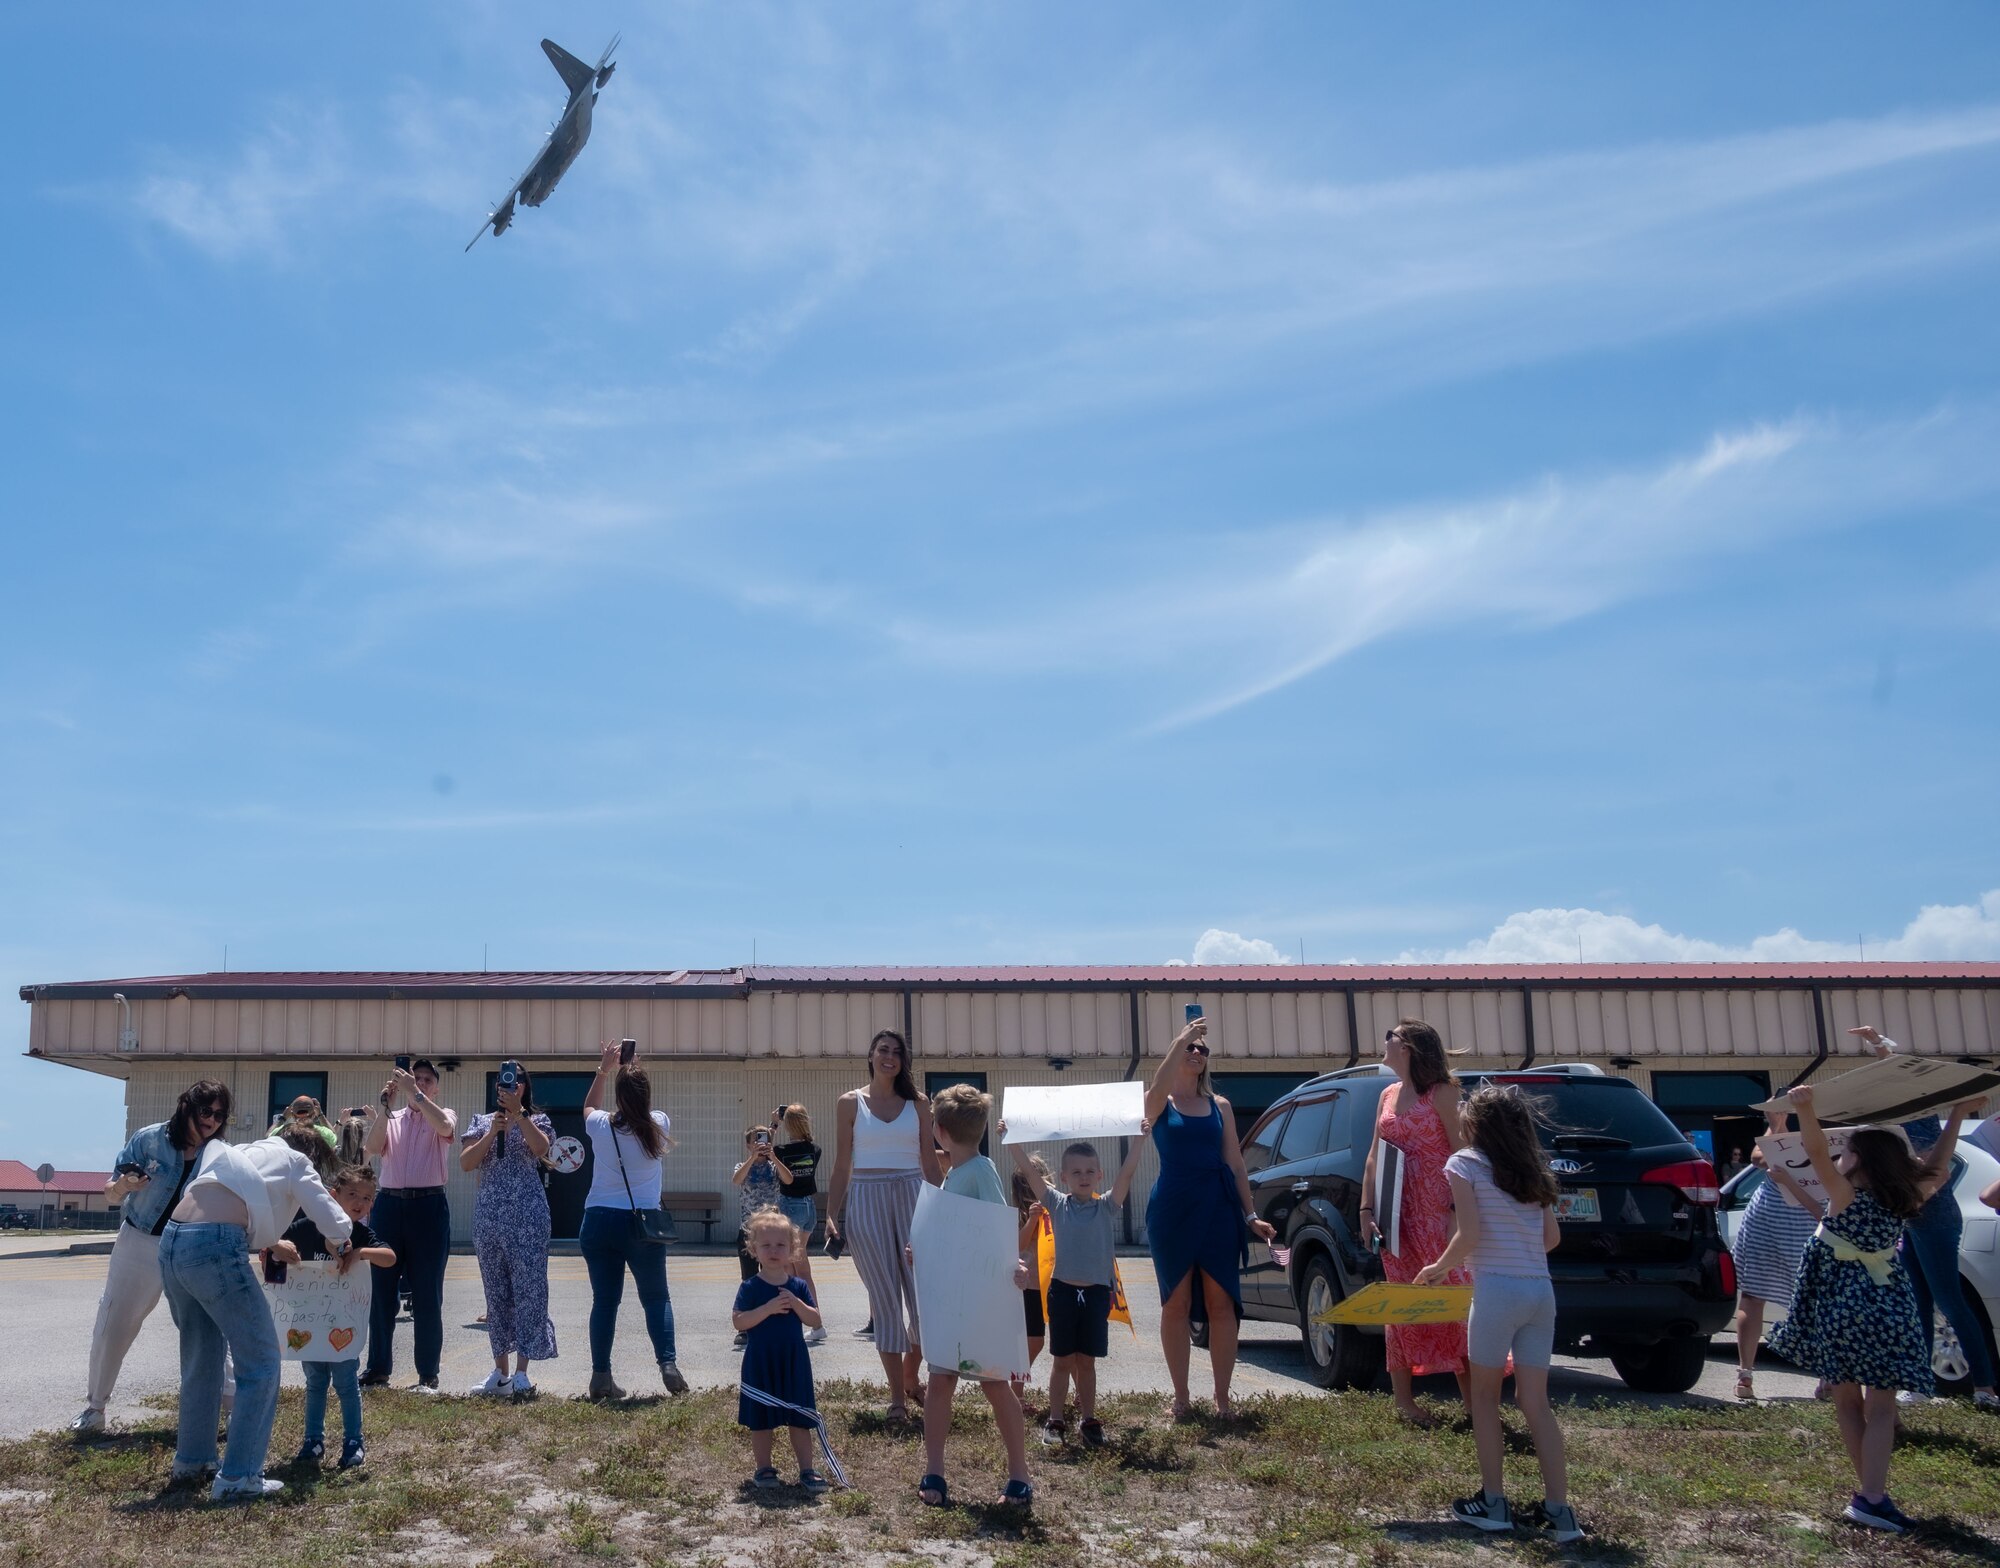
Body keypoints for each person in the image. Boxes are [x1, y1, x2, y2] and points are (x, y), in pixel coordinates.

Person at [1769, 1084, 1985, 1534]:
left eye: (1845, 1153)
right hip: (1886, 1306)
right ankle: (1872, 1495)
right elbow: (1939, 1166)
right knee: (1881, 1406)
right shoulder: (1906, 1198)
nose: (1838, 1158)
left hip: (1837, 1309)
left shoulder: (1842, 1197)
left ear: (1860, 1161)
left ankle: (1870, 1495)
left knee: (1847, 1401)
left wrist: (1806, 1110)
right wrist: (1958, 1114)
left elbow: (1813, 1151)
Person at [1416, 1085, 1581, 1543]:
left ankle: (1493, 1502)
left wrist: (1439, 1267)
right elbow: (1550, 1239)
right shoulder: (1535, 1171)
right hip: (1539, 1292)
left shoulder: (1464, 1164)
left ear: (1477, 1125)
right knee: (1536, 1402)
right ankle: (1560, 1512)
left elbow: (1468, 1233)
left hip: (1495, 1290)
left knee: (1485, 1399)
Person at [159, 1123, 353, 1502]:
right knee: (262, 1361)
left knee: (203, 1359)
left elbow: (239, 1205)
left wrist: (272, 1241)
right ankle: (239, 1477)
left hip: (173, 1240)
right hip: (215, 1243)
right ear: (312, 1152)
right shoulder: (297, 1161)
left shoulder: (242, 1150)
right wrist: (342, 1239)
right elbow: (331, 1218)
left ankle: (193, 1460)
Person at [1847, 1025, 2000, 1410]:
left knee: (1950, 1301)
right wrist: (1878, 1047)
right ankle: (1919, 1385)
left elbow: (1933, 1166)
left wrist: (1882, 1046)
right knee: (1918, 1302)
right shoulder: (1899, 1116)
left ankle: (1984, 1387)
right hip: (1912, 1220)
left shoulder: (1921, 1114)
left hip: (1936, 1218)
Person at [72, 1080, 233, 1436]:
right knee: (115, 1322)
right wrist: (125, 1185)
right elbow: (110, 1194)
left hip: (192, 1246)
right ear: (186, 1106)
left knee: (209, 1328)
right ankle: (95, 1408)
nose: (212, 1120)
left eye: (219, 1115)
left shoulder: (221, 1152)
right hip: (140, 1241)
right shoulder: (149, 1139)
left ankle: (232, 1411)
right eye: (206, 1111)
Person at [1142, 1013, 1277, 1420]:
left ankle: (1223, 1399)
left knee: (1223, 1304)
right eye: (1190, 1047)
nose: (1197, 1052)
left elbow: (1235, 1162)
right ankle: (1181, 1398)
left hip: (1218, 1208)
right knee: (1175, 1304)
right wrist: (1180, 1037)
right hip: (1172, 1209)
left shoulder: (1220, 1106)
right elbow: (1153, 1093)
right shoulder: (1159, 1104)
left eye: (1203, 1049)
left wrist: (1250, 1214)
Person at [914, 1084, 1033, 1509]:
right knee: (941, 1380)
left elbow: (998, 1225)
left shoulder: (980, 1171)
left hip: (978, 1301)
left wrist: (1013, 1264)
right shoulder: (955, 1173)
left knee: (996, 1385)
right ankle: (934, 1470)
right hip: (952, 1301)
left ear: (940, 1131)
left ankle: (1019, 1474)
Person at [824, 1028, 943, 1422]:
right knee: (885, 1301)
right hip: (866, 1198)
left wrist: (944, 1210)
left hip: (913, 1196)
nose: (889, 1057)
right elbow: (843, 1165)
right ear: (871, 1056)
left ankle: (912, 1375)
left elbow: (929, 1163)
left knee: (926, 1300)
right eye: (882, 1050)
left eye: (896, 1052)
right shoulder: (849, 1103)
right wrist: (831, 1213)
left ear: (903, 1060)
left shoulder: (919, 1104)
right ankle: (897, 1399)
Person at [1003, 1128, 1144, 1447]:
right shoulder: (1056, 1203)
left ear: (1099, 1175)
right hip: (1063, 1293)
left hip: (1095, 1295)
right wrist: (1013, 1142)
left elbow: (1127, 1173)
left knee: (1087, 1361)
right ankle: (1055, 1420)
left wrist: (1138, 1140)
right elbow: (1029, 1173)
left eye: (1090, 1171)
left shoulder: (1107, 1205)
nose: (1084, 1177)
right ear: (1064, 1177)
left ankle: (1089, 1419)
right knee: (1062, 1360)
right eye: (1076, 1172)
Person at [1361, 1018, 1471, 1426]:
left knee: (1452, 1305)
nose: (1384, 1042)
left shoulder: (1443, 1093)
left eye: (1389, 1037)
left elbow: (1464, 1155)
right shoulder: (1388, 1094)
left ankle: (1474, 1407)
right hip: (1396, 1217)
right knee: (1401, 1307)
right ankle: (1404, 1403)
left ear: (1406, 1047)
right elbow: (1374, 1155)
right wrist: (1366, 1209)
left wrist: (1458, 1219)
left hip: (1436, 1215)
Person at [580, 1039, 689, 1400]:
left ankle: (600, 1377)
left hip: (598, 1221)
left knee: (604, 1301)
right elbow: (641, 1111)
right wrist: (633, 1071)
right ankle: (668, 1365)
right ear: (647, 1094)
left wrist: (605, 1068)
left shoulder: (600, 1125)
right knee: (656, 1297)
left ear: (619, 1094)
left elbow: (589, 1106)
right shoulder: (658, 1124)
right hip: (643, 1224)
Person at [272, 1166, 397, 1469]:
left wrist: (361, 1253)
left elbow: (390, 1258)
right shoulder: (306, 1227)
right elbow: (274, 1251)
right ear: (332, 1197)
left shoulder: (361, 1234)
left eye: (366, 1198)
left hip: (343, 1327)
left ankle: (354, 1441)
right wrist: (278, 1249)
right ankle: (313, 1441)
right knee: (315, 1381)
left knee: (345, 1382)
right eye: (351, 1194)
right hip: (308, 1325)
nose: (358, 1202)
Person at [461, 1062, 557, 1398]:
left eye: (517, 1082)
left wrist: (520, 1116)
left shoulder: (537, 1120)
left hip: (528, 1216)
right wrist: (493, 1132)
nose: (511, 1087)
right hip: (490, 1217)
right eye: (506, 1082)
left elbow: (542, 1149)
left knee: (530, 1292)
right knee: (496, 1294)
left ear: (524, 1087)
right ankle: (499, 1372)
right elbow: (467, 1163)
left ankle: (521, 1373)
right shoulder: (482, 1121)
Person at [360, 1058, 457, 1392]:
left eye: (427, 1080)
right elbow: (371, 1149)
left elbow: (445, 1128)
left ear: (436, 1086)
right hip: (389, 1204)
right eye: (415, 1079)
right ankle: (378, 1369)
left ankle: (427, 1373)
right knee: (382, 1292)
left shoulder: (441, 1113)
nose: (420, 1083)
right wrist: (385, 1107)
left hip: (428, 1206)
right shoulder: (393, 1118)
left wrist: (415, 1094)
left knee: (428, 1293)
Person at [733, 1210, 831, 1492]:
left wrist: (797, 1304)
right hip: (761, 1361)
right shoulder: (750, 1287)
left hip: (793, 1360)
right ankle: (763, 1469)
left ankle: (807, 1469)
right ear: (754, 1250)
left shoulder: (798, 1286)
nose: (774, 1251)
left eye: (780, 1245)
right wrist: (767, 1309)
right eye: (766, 1246)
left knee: (800, 1417)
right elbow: (739, 1321)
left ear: (792, 1249)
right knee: (761, 1420)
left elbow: (815, 1320)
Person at [1731, 1109, 1823, 1401]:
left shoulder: (1820, 1129)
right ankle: (1746, 1374)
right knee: (1758, 1295)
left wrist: (1776, 1123)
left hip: (1791, 1214)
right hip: (1788, 1214)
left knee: (1760, 1295)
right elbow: (1759, 1158)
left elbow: (1760, 1158)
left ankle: (1746, 1375)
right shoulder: (1833, 1125)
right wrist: (1776, 1124)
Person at [772, 1105, 827, 1344]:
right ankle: (815, 1322)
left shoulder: (780, 1151)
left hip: (790, 1207)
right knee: (801, 1268)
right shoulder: (815, 1149)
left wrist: (772, 1125)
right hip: (808, 1208)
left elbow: (768, 1151)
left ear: (787, 1124)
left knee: (789, 1268)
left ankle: (803, 1319)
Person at [1010, 1161, 1050, 1415]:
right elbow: (1018, 1245)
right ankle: (1016, 1392)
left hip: (1054, 1282)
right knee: (1033, 1342)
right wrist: (1033, 1220)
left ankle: (1081, 1395)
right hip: (1031, 1287)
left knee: (1070, 1345)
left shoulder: (1056, 1207)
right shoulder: (1018, 1215)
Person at [268, 1095, 340, 1155]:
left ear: (292, 1115)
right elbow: (334, 1137)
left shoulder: (284, 1132)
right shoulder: (322, 1132)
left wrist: (283, 1118)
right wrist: (321, 1115)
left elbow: (268, 1137)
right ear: (314, 1114)